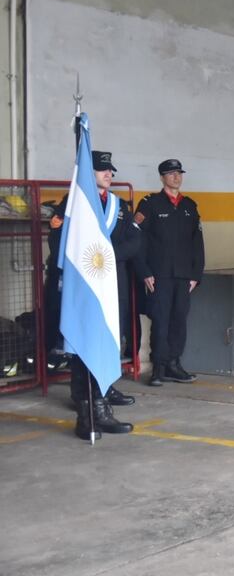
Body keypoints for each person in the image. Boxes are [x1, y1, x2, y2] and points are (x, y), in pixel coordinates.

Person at [50, 151, 139, 439]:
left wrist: (108, 255)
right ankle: (87, 411)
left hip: (112, 283)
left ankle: (101, 403)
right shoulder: (74, 204)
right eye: (102, 170)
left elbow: (135, 240)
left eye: (110, 170)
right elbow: (58, 240)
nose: (109, 174)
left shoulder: (118, 206)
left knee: (108, 340)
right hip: (85, 285)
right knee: (83, 343)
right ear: (89, 174)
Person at [135, 159, 205, 387]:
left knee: (179, 320)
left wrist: (196, 274)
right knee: (160, 320)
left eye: (179, 173)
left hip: (183, 276)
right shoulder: (150, 204)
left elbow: (197, 242)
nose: (177, 177)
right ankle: (159, 367)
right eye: (171, 173)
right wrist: (144, 271)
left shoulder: (189, 206)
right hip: (159, 275)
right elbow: (138, 240)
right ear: (162, 177)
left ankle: (174, 364)